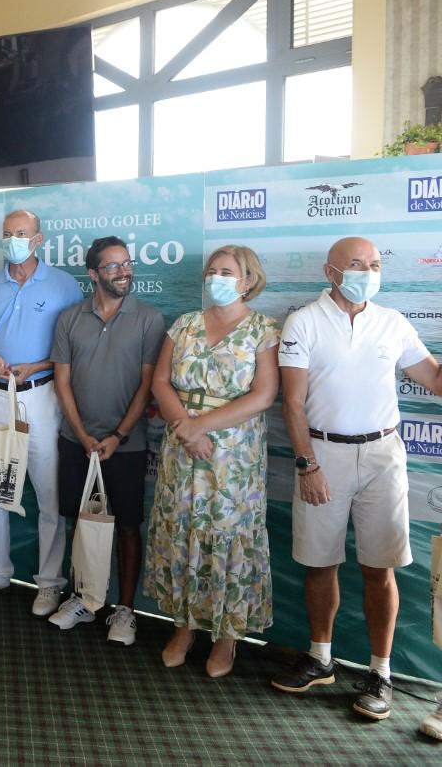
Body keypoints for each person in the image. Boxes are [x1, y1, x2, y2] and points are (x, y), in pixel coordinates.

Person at [270, 237, 442, 720]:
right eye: (356, 264)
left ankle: (380, 672)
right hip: (322, 454)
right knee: (319, 562)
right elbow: (293, 402)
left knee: (379, 567)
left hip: (384, 454)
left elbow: (434, 378)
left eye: (374, 264)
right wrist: (307, 464)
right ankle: (320, 659)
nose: (367, 271)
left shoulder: (393, 323)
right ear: (330, 271)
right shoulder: (304, 321)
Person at [145, 244, 278, 678]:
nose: (216, 278)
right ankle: (183, 627)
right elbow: (161, 381)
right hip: (181, 448)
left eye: (227, 272)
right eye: (212, 271)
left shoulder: (262, 329)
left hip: (232, 455)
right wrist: (185, 425)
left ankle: (226, 637)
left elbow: (263, 395)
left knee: (227, 535)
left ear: (247, 281)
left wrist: (203, 427)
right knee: (182, 530)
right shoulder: (183, 325)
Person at [0, 209, 82, 615]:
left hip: (40, 397)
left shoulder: (64, 286)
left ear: (39, 239)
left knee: (49, 495)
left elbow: (74, 349)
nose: (14, 239)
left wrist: (40, 365)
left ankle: (49, 583)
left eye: (22, 233)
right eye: (8, 233)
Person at [46, 237, 164, 645]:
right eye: (112, 266)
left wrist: (117, 435)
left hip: (125, 446)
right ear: (93, 274)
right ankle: (82, 599)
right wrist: (81, 435)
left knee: (127, 525)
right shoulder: (68, 318)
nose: (123, 271)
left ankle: (124, 610)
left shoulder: (149, 319)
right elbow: (61, 381)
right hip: (75, 440)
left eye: (126, 263)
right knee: (79, 522)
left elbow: (149, 384)